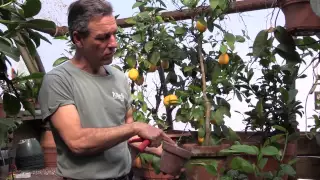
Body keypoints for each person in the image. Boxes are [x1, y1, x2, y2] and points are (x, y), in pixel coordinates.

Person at [37, 0, 176, 179]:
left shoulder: (119, 78)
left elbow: (126, 135)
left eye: (114, 34)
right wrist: (135, 128)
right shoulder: (59, 81)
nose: (114, 44)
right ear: (78, 38)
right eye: (103, 37)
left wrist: (165, 151)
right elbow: (77, 141)